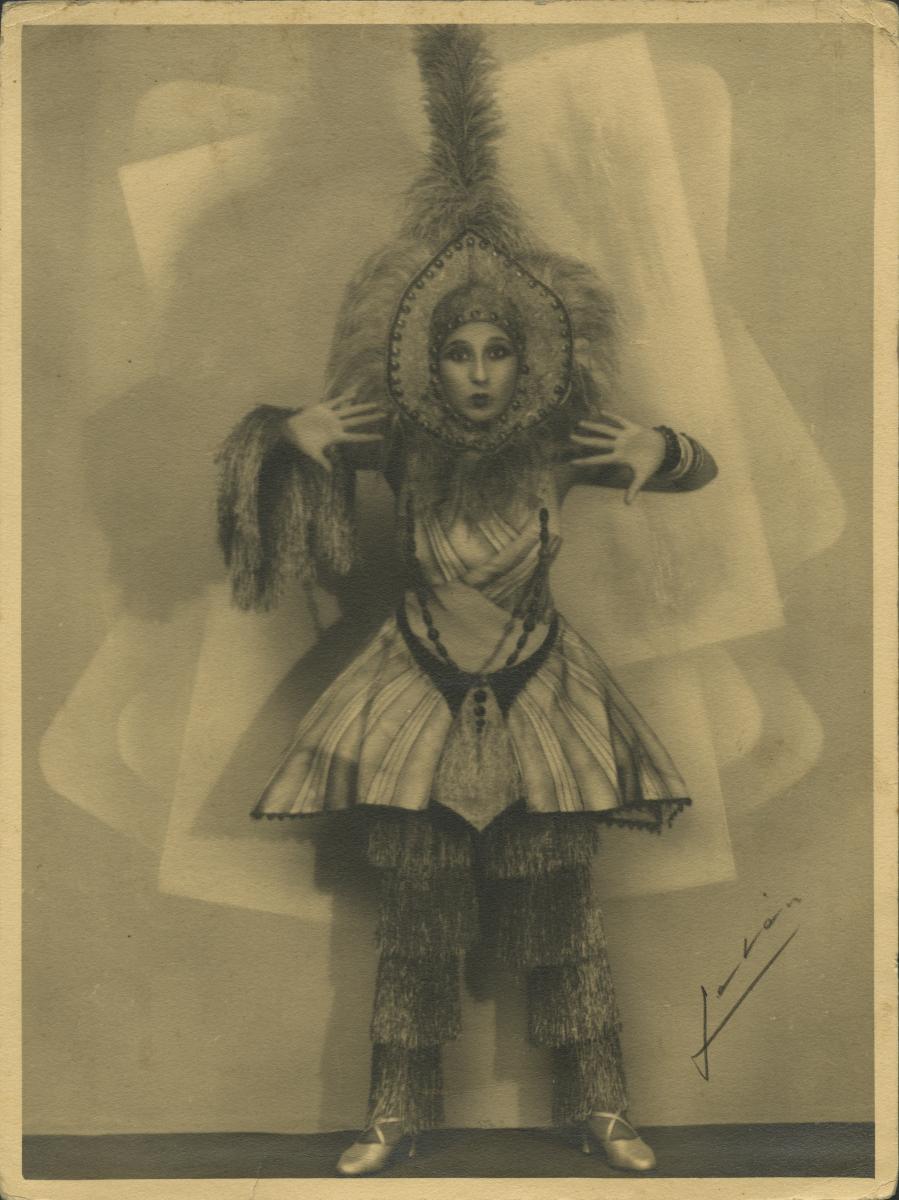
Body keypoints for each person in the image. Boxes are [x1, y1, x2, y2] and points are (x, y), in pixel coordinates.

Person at [215, 26, 717, 1177]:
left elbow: (695, 467)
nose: (480, 372)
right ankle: (395, 1115)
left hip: (545, 695)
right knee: (417, 917)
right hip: (411, 694)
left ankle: (599, 1107)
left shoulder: (558, 439)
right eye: (459, 354)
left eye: (496, 352)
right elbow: (262, 468)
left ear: (524, 355)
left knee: (563, 912)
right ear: (427, 360)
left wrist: (662, 448)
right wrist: (285, 434)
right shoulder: (397, 438)